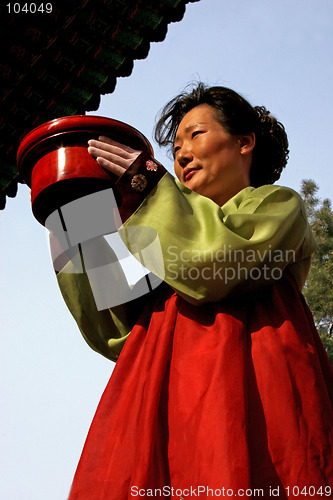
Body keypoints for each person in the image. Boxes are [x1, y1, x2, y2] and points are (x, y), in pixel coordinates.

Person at [55, 83, 333, 499]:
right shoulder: (165, 247)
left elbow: (214, 267)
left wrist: (147, 187)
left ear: (244, 142)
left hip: (259, 409)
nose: (181, 153)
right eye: (175, 147)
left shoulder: (277, 205)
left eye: (195, 135)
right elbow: (112, 327)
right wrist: (74, 220)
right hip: (164, 412)